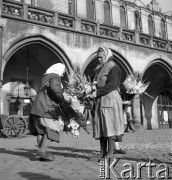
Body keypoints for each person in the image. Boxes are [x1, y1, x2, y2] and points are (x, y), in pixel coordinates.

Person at [91, 47, 125, 160]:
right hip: (101, 98)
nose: (99, 59)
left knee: (110, 126)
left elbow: (112, 84)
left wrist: (97, 93)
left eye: (101, 57)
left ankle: (110, 153)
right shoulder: (101, 68)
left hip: (110, 98)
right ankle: (102, 153)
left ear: (107, 55)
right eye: (98, 57)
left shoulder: (113, 66)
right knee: (101, 126)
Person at [29, 63, 66, 161]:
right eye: (62, 72)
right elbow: (55, 89)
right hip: (46, 108)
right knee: (52, 129)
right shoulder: (55, 76)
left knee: (41, 132)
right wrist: (62, 99)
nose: (62, 75)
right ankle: (42, 151)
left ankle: (41, 153)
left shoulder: (45, 77)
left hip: (37, 107)